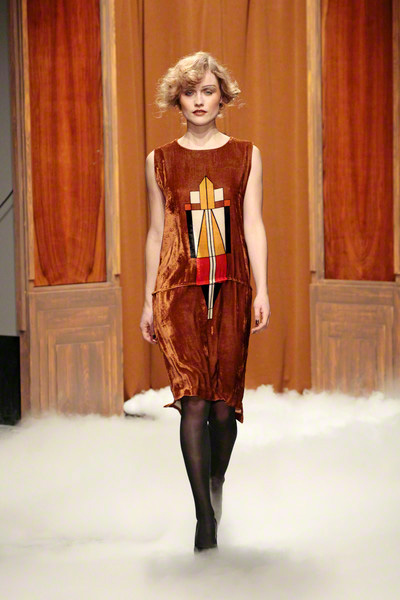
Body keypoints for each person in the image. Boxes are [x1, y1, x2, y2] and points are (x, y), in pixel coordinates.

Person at [140, 51, 270, 552]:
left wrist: (263, 288)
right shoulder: (159, 160)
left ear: (222, 98)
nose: (199, 100)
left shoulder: (246, 155)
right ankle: (204, 519)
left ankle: (216, 482)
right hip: (178, 291)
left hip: (231, 286)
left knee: (222, 407)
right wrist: (149, 300)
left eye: (208, 91)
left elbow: (253, 223)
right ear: (177, 100)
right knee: (192, 400)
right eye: (189, 92)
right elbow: (157, 232)